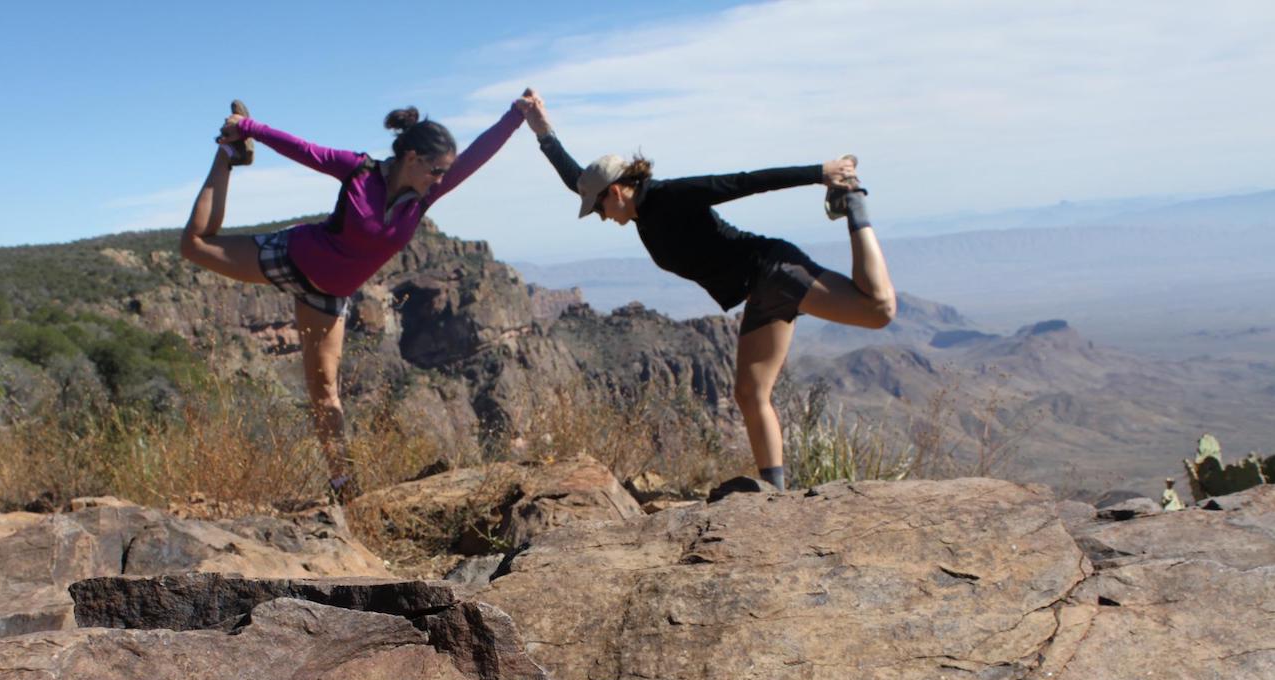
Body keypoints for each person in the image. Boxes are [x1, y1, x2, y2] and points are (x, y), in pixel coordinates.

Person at [517, 91, 897, 492]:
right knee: (749, 392)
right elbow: (576, 178)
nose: (600, 216)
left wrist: (821, 172)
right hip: (759, 292)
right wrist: (543, 130)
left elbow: (745, 182)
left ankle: (852, 202)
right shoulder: (637, 208)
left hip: (774, 271)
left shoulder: (670, 197)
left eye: (598, 208)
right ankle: (776, 493)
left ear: (616, 192)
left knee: (878, 311)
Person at [180, 97, 531, 502]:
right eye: (435, 170)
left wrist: (516, 116)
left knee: (325, 391)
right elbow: (303, 149)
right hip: (290, 256)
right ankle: (227, 154)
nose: (440, 180)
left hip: (326, 298)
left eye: (443, 173)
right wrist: (247, 128)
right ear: (412, 158)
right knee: (193, 245)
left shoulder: (425, 196)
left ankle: (343, 487)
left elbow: (474, 158)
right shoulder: (359, 170)